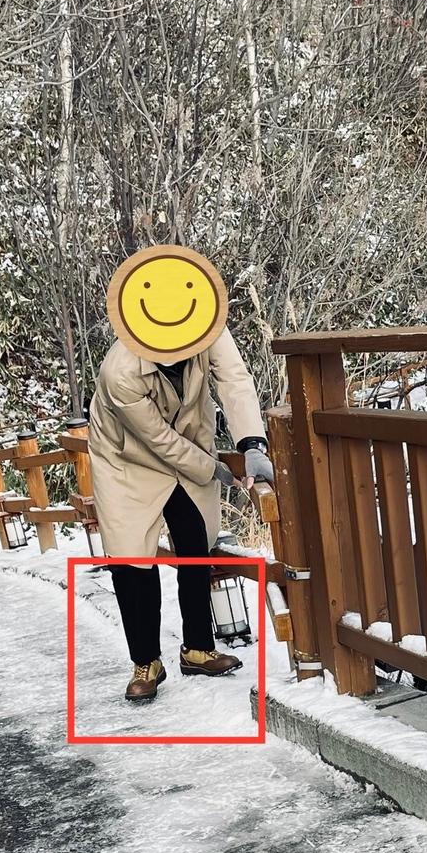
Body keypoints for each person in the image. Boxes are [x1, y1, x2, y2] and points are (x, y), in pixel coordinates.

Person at [88, 244, 274, 703]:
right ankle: (146, 662)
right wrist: (215, 470)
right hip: (127, 460)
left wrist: (252, 444)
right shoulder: (120, 373)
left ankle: (197, 648)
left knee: (194, 541)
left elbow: (234, 379)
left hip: (187, 446)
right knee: (132, 560)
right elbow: (159, 441)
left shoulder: (205, 326)